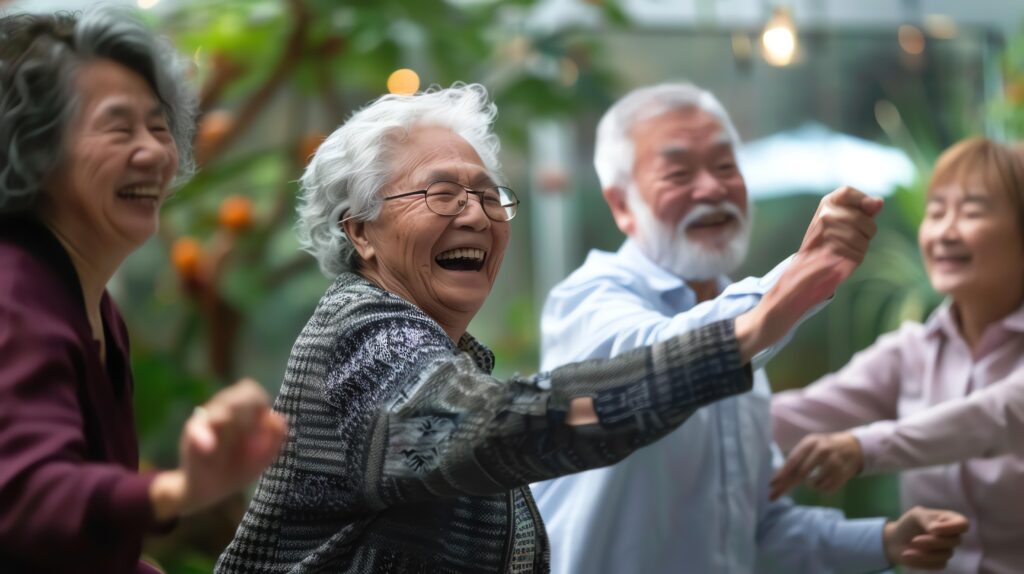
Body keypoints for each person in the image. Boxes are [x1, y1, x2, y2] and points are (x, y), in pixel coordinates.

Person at [217, 82, 948, 574]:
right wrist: (762, 319)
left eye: (487, 193)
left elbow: (745, 525)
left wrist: (877, 540)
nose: (475, 213)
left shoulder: (445, 353)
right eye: (442, 192)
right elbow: (502, 428)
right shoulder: (365, 329)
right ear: (362, 233)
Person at [529, 82, 970, 574]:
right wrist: (796, 280)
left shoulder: (747, 336)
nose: (713, 188)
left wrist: (887, 540)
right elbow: (654, 364)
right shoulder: (587, 300)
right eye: (678, 172)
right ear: (621, 205)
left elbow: (757, 529)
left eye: (725, 166)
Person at [0, 9, 287, 573]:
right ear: (35, 148)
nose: (154, 153)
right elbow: (25, 498)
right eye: (118, 127)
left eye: (159, 128)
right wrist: (180, 489)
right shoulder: (13, 295)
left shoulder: (93, 302)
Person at [771, 137, 1024, 572]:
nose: (945, 231)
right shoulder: (911, 351)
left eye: (972, 211)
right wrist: (675, 417)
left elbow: (994, 416)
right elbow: (797, 414)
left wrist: (862, 447)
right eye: (937, 211)